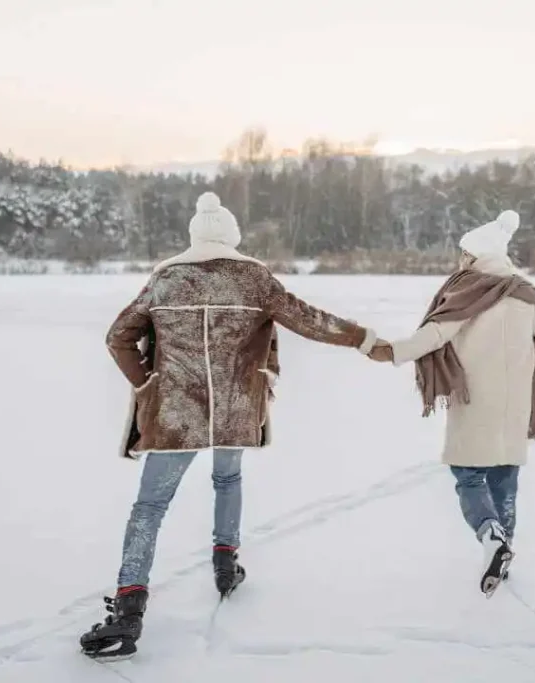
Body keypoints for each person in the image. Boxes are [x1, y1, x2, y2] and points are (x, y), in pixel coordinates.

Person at [81, 192, 384, 660]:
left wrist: (150, 384)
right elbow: (311, 321)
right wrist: (364, 339)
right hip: (236, 407)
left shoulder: (166, 279)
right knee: (228, 478)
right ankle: (226, 562)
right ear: (232, 237)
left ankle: (127, 608)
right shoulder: (254, 279)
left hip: (175, 414)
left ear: (194, 236)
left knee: (150, 507)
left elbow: (117, 337)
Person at [369, 210, 535, 597]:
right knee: (504, 481)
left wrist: (393, 351)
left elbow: (434, 334)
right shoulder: (525, 297)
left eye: (464, 253)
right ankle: (504, 553)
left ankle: (490, 534)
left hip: (475, 400)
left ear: (475, 256)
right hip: (516, 404)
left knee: (467, 474)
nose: (460, 259)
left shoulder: (467, 294)